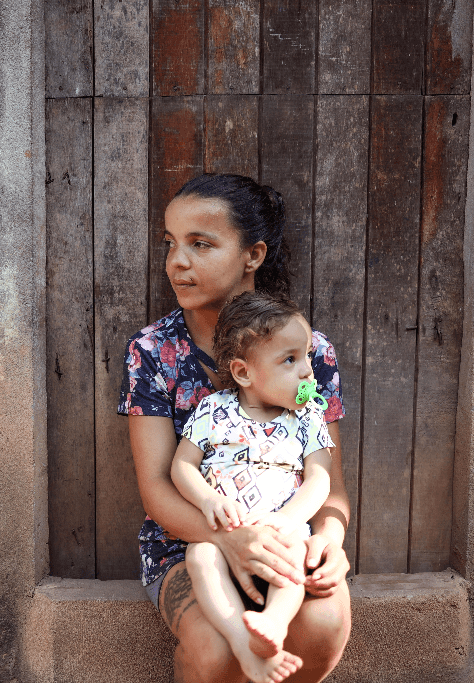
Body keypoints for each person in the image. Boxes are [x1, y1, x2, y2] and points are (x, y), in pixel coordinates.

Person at [118, 173, 351, 683]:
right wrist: (229, 539)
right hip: (188, 541)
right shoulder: (154, 352)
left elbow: (329, 481)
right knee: (214, 650)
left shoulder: (309, 355)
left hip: (287, 534)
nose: (177, 262)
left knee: (324, 622)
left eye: (201, 244)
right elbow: (158, 487)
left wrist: (330, 539)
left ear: (254, 255)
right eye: (171, 244)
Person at [170, 291, 336, 683]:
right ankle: (242, 644)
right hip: (224, 534)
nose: (307, 372)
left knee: (296, 551)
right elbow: (182, 466)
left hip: (281, 533)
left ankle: (274, 625)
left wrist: (286, 520)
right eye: (290, 360)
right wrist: (207, 498)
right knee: (199, 558)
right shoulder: (213, 411)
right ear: (244, 372)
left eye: (307, 356)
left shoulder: (309, 416)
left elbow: (320, 477)